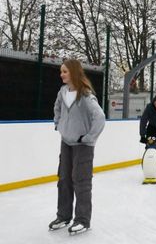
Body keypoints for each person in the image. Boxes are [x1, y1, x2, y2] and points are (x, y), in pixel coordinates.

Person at [49, 59, 106, 234]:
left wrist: (88, 137)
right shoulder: (63, 91)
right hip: (66, 142)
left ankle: (82, 220)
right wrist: (58, 123)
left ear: (73, 72)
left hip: (83, 145)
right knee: (64, 179)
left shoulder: (86, 95)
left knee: (81, 182)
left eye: (64, 71)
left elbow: (100, 118)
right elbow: (57, 108)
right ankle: (64, 216)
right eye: (61, 71)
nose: (61, 74)